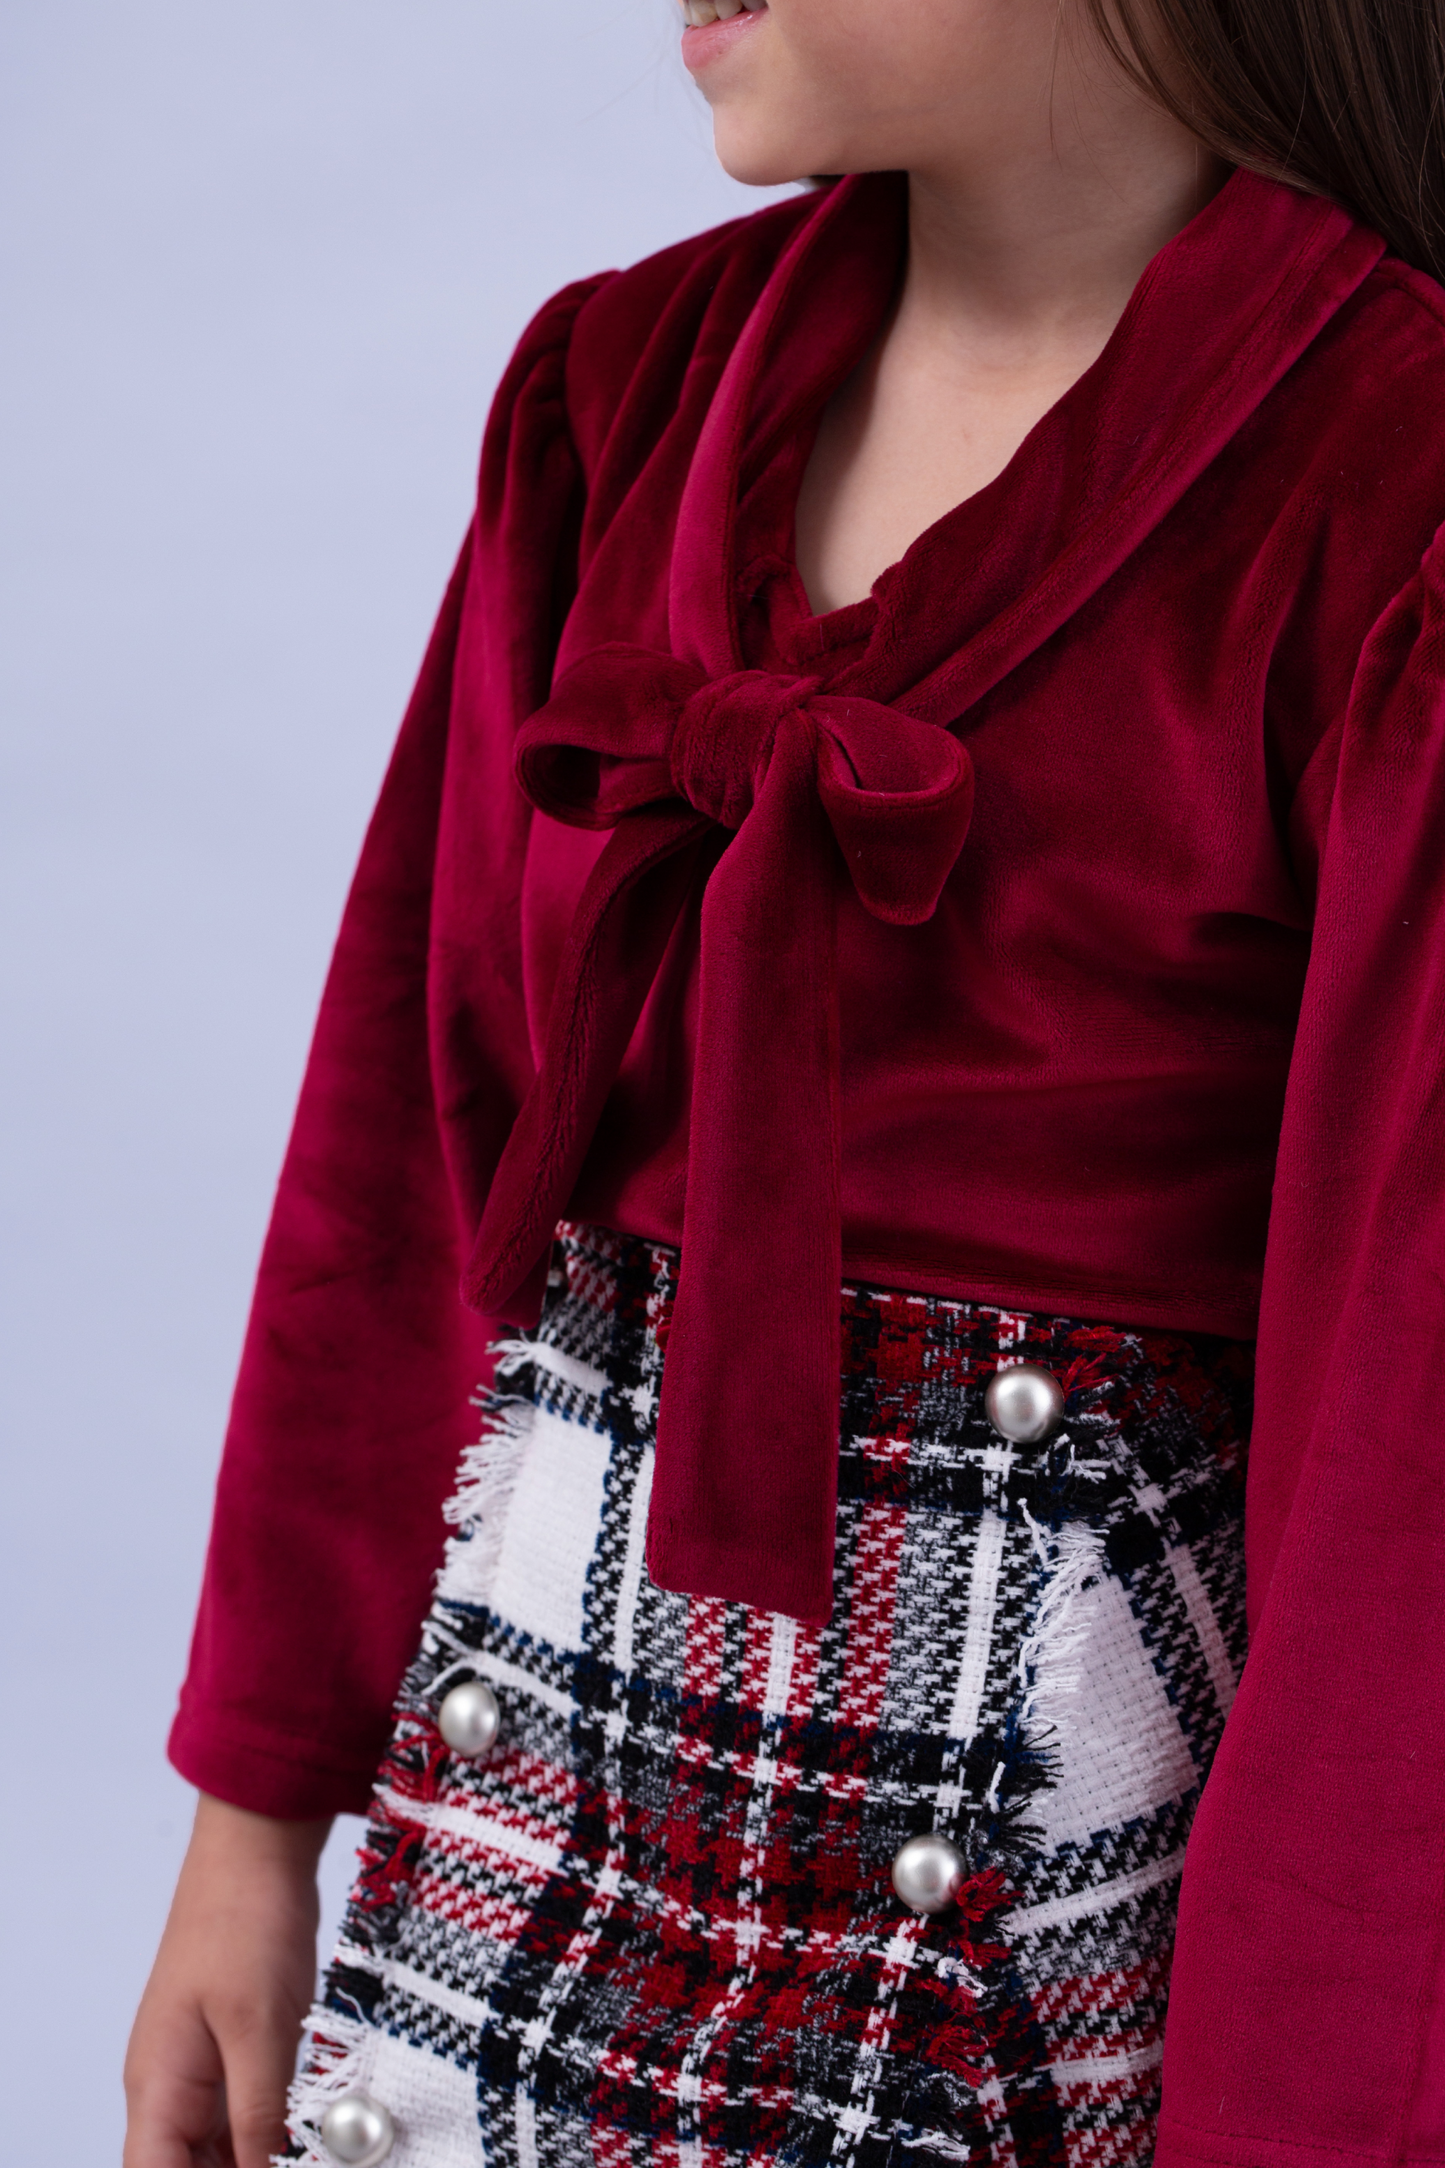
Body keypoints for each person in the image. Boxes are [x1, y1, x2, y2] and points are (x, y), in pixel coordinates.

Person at [123, 0, 1445, 2161]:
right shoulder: (608, 399)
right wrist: (258, 1811)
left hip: (1026, 1880)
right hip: (529, 1777)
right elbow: (397, 1144)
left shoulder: (1384, 493)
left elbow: (1399, 1437)